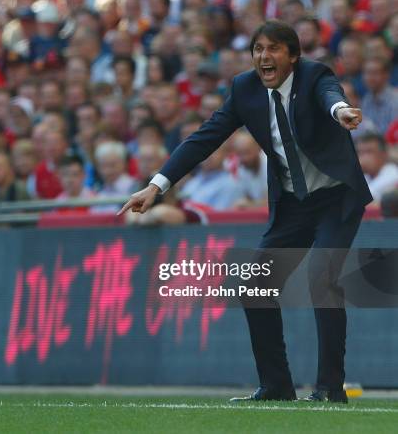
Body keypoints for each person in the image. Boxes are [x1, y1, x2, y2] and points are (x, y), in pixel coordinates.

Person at [119, 20, 372, 404]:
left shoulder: (315, 74)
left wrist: (339, 110)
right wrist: (157, 186)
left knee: (323, 276)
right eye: (257, 49)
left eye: (273, 49)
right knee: (255, 285)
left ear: (293, 57)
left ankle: (329, 389)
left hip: (336, 198)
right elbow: (205, 137)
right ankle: (276, 386)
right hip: (294, 205)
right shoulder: (244, 89)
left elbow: (329, 94)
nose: (263, 57)